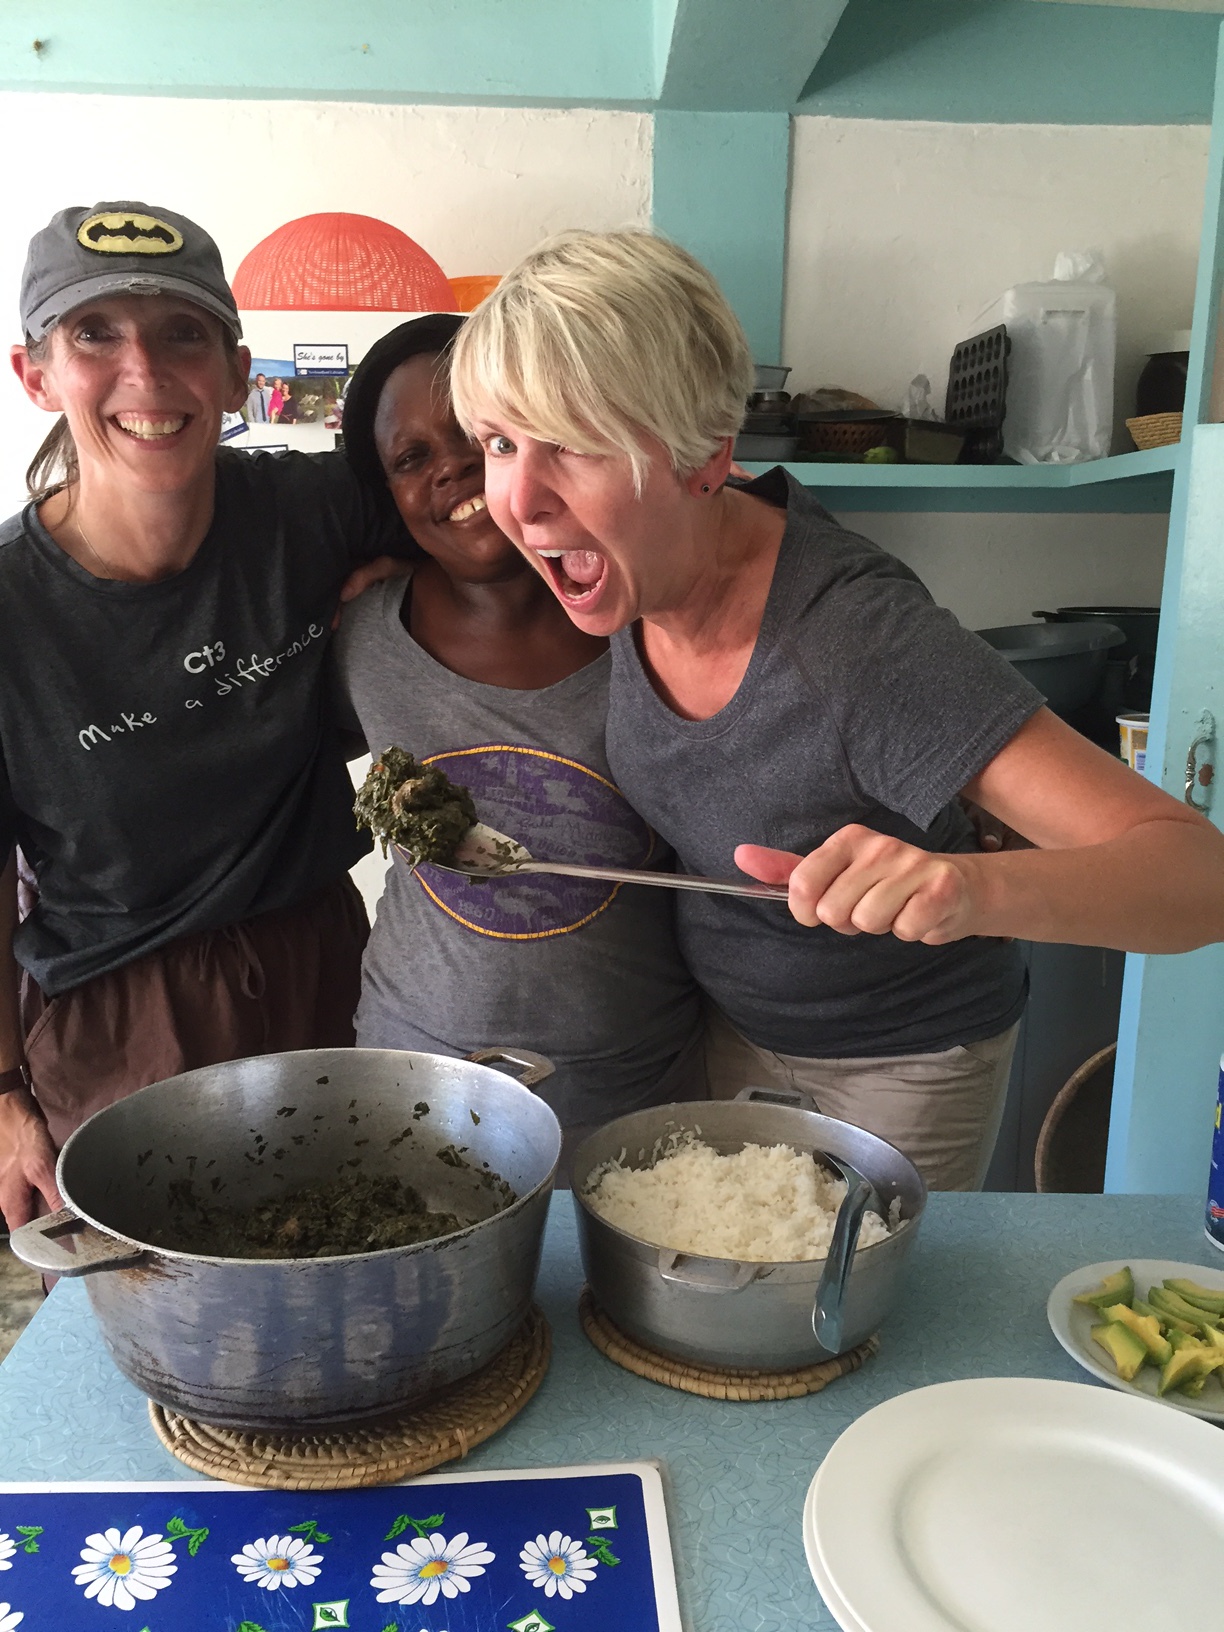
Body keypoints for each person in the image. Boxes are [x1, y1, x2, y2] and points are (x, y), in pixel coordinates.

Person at [449, 227, 1224, 1190]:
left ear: (705, 456)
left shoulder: (857, 641)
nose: (521, 501)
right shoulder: (635, 557)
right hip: (726, 1031)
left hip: (902, 1064)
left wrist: (968, 889)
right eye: (501, 443)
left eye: (574, 443)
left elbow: (1197, 876)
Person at [0, 200, 408, 1228]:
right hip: (119, 1015)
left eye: (183, 333)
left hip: (325, 961)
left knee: (357, 1253)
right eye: (95, 334)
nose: (144, 371)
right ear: (35, 375)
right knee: (159, 1293)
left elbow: (487, 514)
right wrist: (2, 1096)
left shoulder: (313, 510)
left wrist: (416, 590)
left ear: (235, 372)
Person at [333, 315, 705, 1162]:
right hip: (411, 1071)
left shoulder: (651, 624)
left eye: (477, 432)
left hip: (634, 1085)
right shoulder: (362, 638)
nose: (451, 465)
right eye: (411, 458)